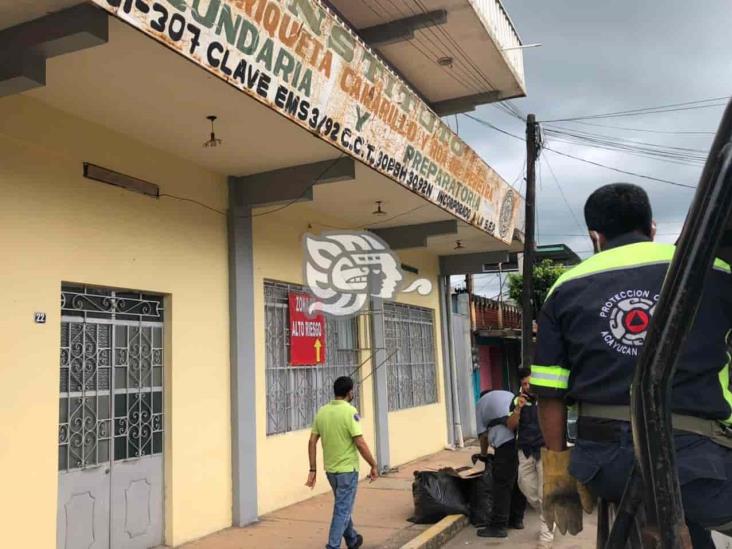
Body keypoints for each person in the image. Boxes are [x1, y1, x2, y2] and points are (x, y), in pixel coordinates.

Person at [532, 183, 732, 548]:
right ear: (652, 227)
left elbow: (549, 391)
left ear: (596, 236)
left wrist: (558, 472)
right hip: (697, 461)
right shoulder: (712, 270)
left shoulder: (564, 287)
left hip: (603, 465)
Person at [306, 376, 378, 549]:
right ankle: (333, 546)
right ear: (349, 392)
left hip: (330, 470)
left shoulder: (322, 411)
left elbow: (311, 441)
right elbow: (359, 442)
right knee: (342, 510)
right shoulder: (350, 412)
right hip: (347, 470)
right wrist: (373, 465)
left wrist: (312, 469)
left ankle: (352, 539)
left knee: (342, 506)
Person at [474, 388, 527, 538]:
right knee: (517, 481)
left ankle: (499, 526)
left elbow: (483, 435)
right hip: (522, 440)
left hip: (505, 443)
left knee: (501, 484)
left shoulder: (480, 404)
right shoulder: (508, 395)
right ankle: (517, 519)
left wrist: (483, 454)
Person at [514, 368, 554, 548]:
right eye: (524, 384)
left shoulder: (547, 399)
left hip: (544, 451)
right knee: (525, 485)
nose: (528, 386)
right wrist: (518, 409)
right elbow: (510, 426)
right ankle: (550, 516)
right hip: (525, 451)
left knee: (543, 494)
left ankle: (545, 539)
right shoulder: (517, 401)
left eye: (530, 382)